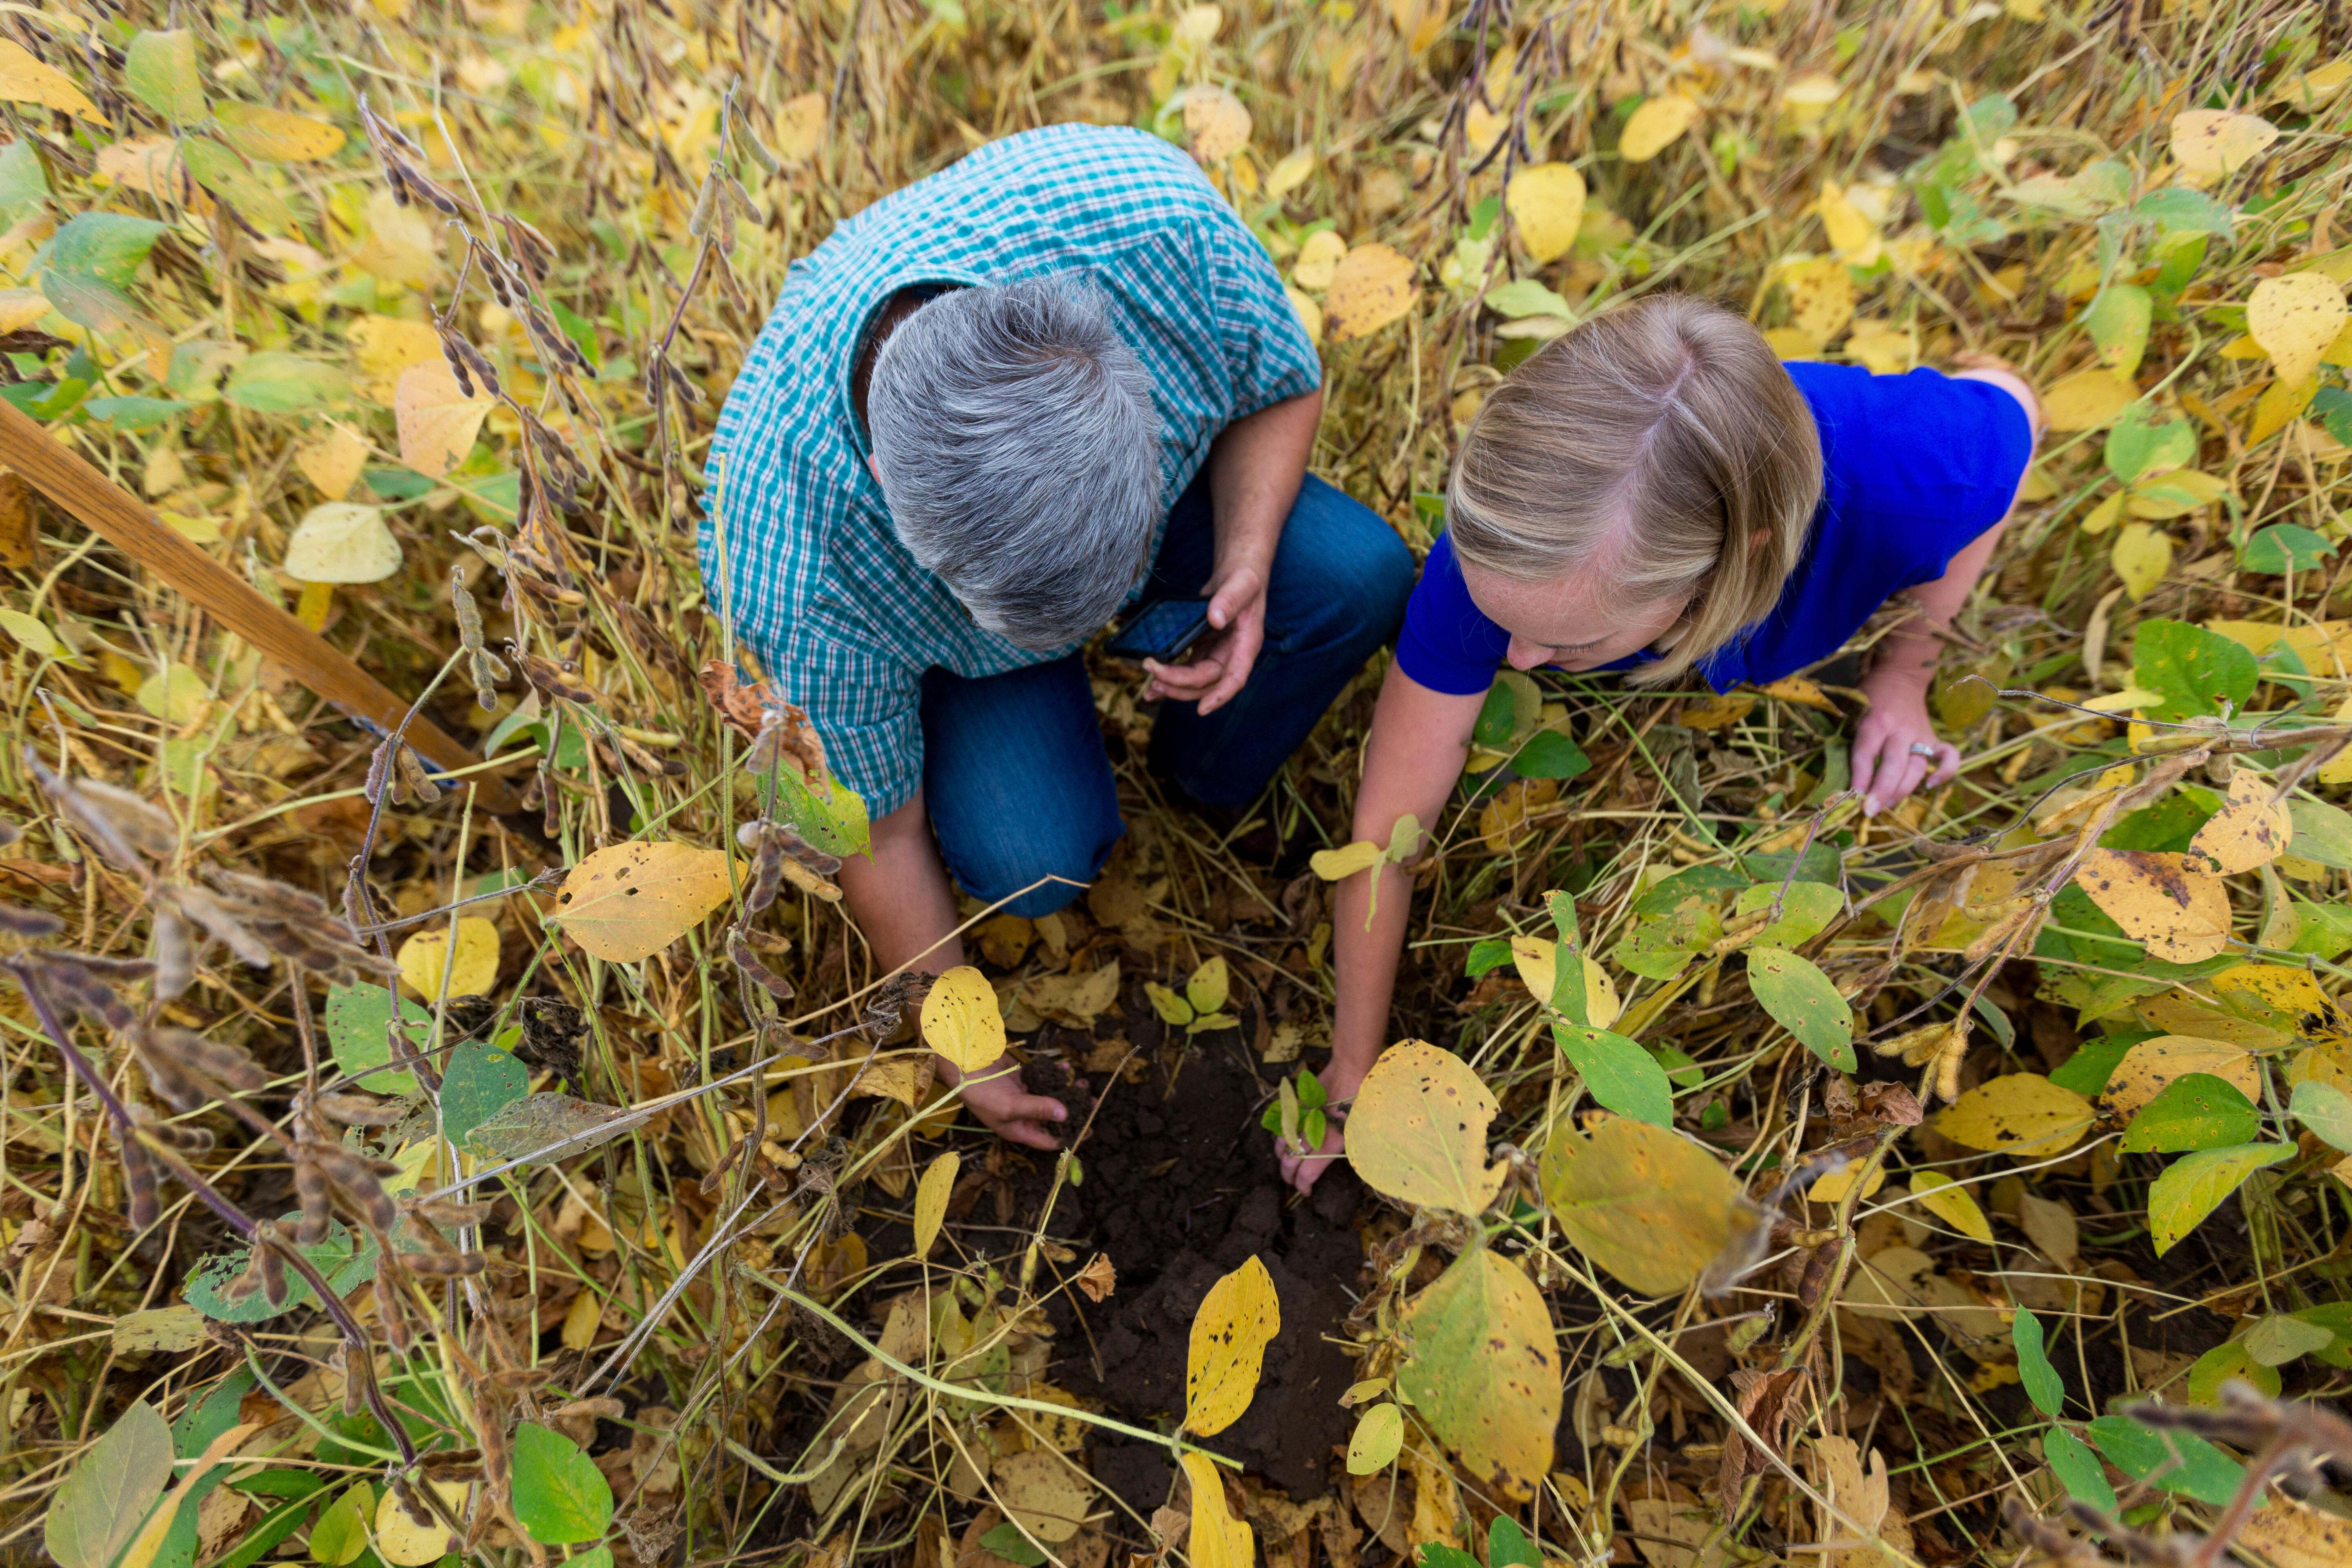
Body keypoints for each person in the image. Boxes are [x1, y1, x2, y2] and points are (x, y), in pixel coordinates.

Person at [701, 124, 1415, 1152]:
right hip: (935, 634)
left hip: (1115, 493)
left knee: (1356, 577)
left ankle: (1203, 777)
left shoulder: (1152, 228)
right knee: (1034, 860)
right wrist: (967, 1054)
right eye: (1079, 614)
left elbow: (1280, 382)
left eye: (1119, 585)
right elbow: (879, 835)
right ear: (920, 552)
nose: (1120, 614)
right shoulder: (798, 567)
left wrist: (1246, 560)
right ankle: (1028, 706)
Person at [1279, 294, 2040, 1193]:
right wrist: (1354, 1064)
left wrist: (1906, 675)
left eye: (1563, 643)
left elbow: (2017, 410)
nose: (1516, 661)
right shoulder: (1505, 561)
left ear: (1731, 561)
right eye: (1501, 622)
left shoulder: (1909, 474)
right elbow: (1387, 832)